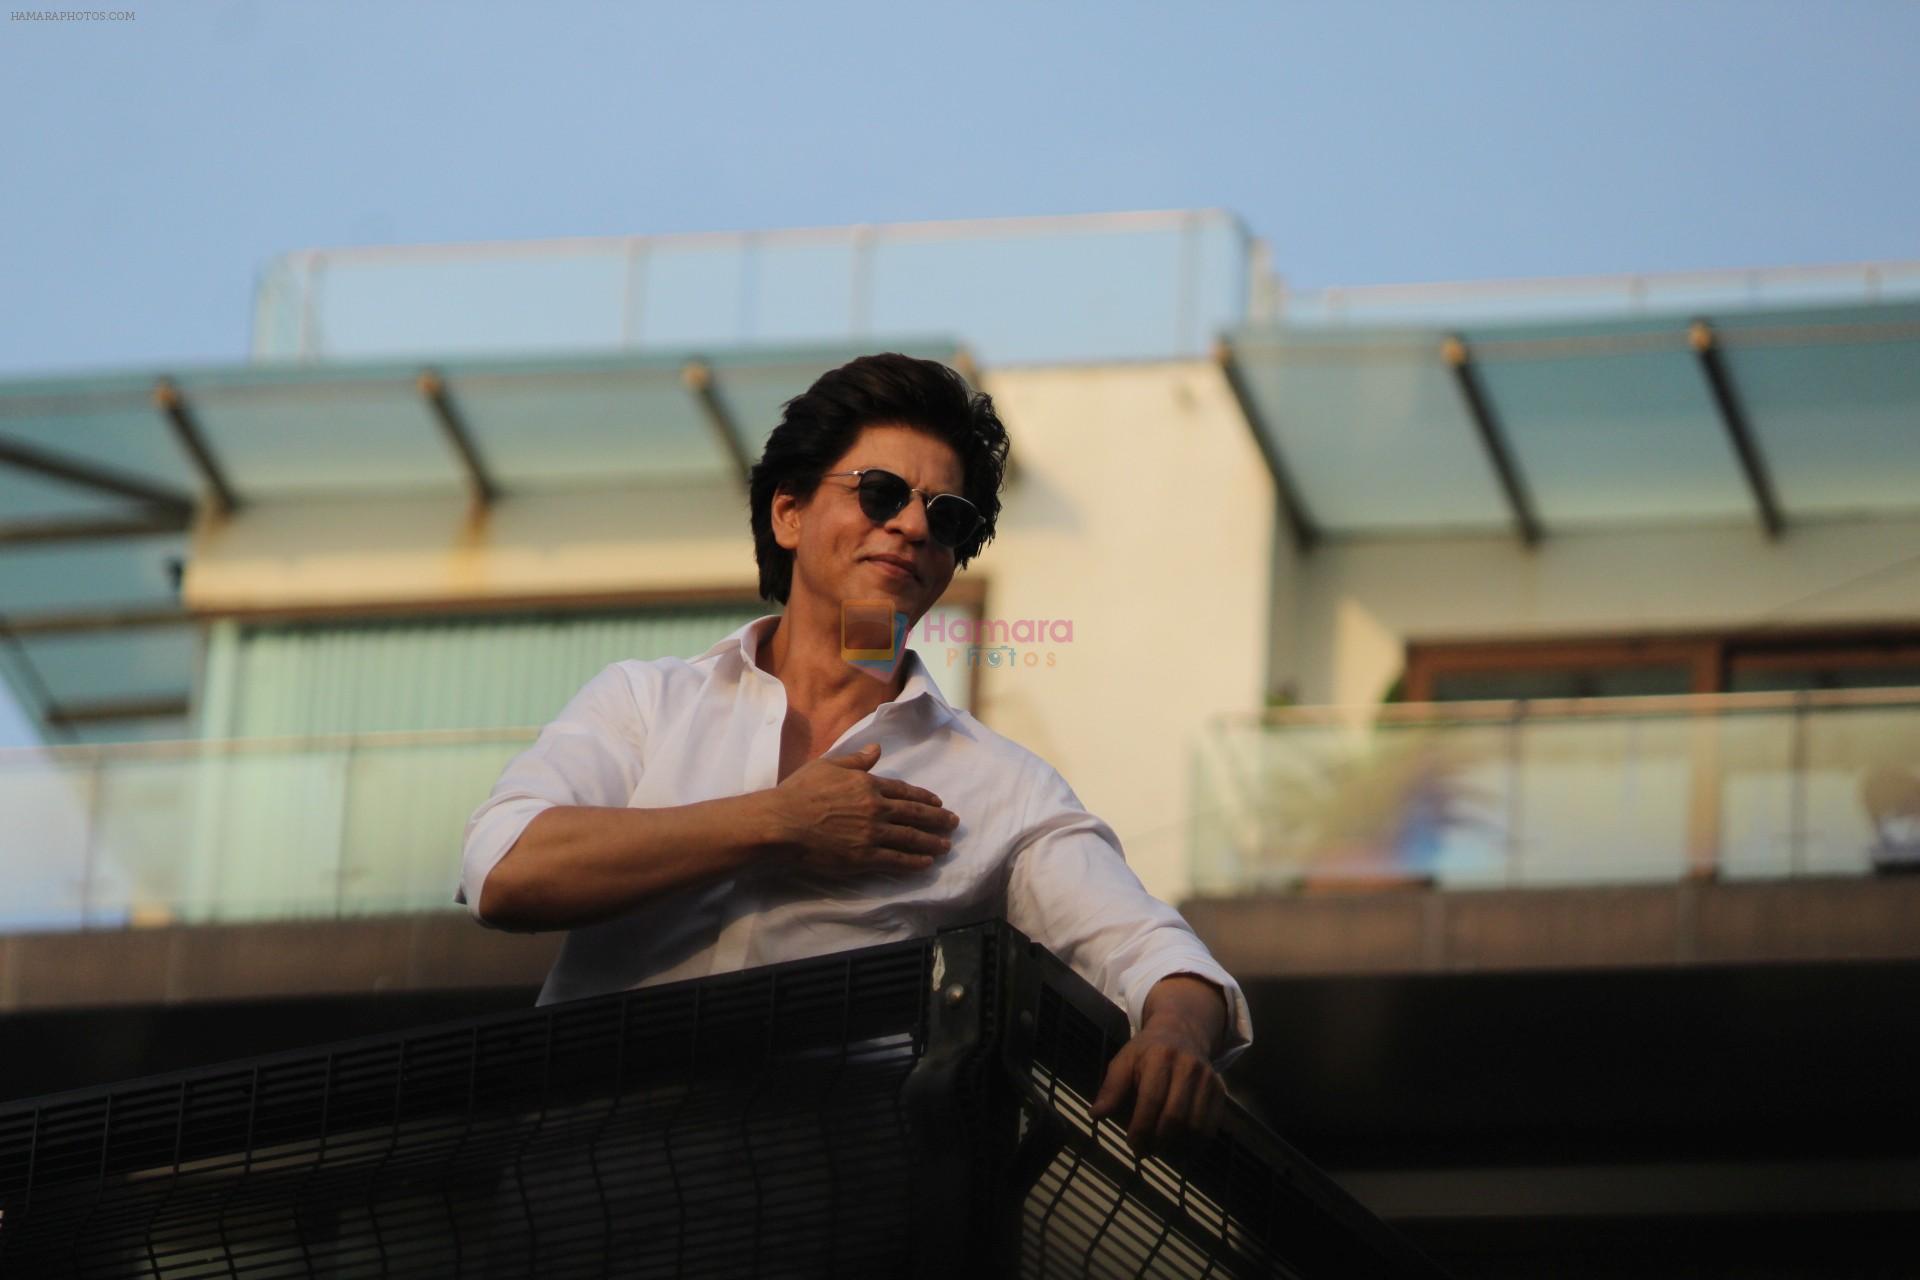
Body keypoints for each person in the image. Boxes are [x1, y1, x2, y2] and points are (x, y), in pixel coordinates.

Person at [458, 353, 1252, 1155]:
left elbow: (1152, 952)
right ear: (789, 514)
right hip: (579, 1198)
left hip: (831, 1222)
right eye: (880, 494)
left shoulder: (1000, 786)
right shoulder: (646, 701)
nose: (911, 525)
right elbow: (505, 871)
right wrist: (776, 822)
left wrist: (1177, 1035)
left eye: (947, 517)